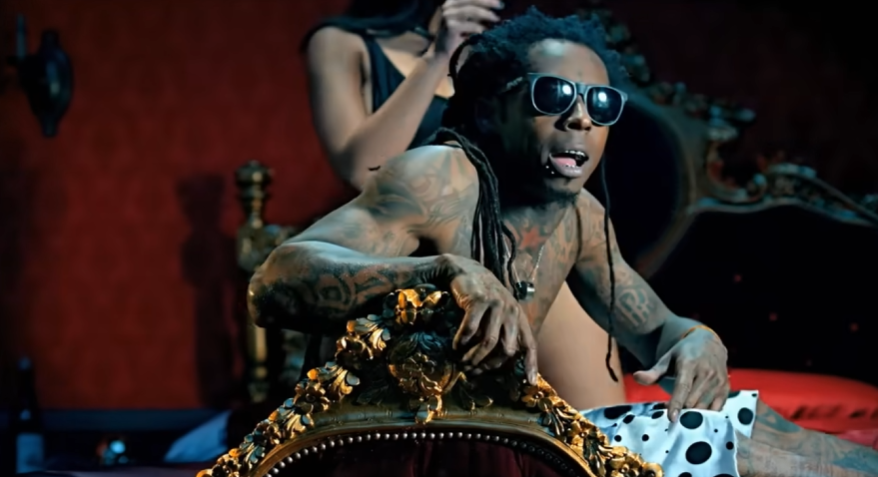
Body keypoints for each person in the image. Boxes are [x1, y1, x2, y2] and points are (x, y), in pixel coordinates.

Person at [250, 7, 878, 476]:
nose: (580, 116)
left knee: (757, 425)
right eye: (553, 95)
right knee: (753, 456)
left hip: (519, 441)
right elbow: (276, 279)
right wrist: (444, 272)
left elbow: (655, 329)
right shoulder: (438, 177)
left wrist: (695, 337)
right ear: (491, 111)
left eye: (601, 103)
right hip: (414, 448)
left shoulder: (579, 217)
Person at [303, 0, 624, 409]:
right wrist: (439, 57)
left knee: (600, 428)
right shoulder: (341, 42)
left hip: (503, 250)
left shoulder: (500, 56)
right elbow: (362, 169)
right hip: (405, 255)